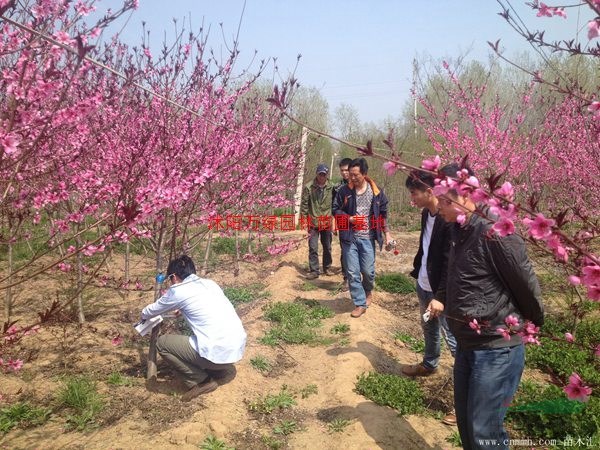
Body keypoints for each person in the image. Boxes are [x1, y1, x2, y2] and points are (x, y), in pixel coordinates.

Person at [428, 163, 544, 450]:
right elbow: (453, 273)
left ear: (465, 196)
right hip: (469, 341)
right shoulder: (459, 229)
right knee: (468, 425)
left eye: (443, 200)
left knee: (485, 430)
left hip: (495, 347)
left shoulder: (494, 232)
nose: (438, 206)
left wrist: (533, 323)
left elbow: (524, 281)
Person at [141, 255, 247, 402]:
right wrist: (182, 308)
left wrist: (143, 315)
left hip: (217, 355)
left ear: (174, 277)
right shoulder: (210, 284)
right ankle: (217, 369)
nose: (170, 283)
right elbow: (204, 305)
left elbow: (149, 311)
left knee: (162, 343)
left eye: (169, 279)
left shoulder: (177, 291)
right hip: (235, 351)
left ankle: (201, 381)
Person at [401, 169, 458, 425]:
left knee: (456, 344)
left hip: (441, 293)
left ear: (429, 191)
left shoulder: (449, 219)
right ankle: (429, 363)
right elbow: (425, 247)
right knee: (429, 328)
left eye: (414, 193)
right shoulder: (427, 214)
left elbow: (450, 262)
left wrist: (442, 295)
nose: (411, 198)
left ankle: (464, 401)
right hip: (424, 285)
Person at [333, 157, 393, 318]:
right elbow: (335, 210)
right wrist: (349, 218)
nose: (352, 177)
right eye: (350, 174)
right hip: (349, 237)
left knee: (367, 271)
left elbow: (383, 215)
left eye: (355, 175)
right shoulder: (344, 192)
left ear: (365, 174)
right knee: (352, 272)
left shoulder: (377, 193)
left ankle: (368, 291)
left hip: (368, 237)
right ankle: (359, 303)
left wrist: (387, 234)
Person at [301, 163, 334, 280]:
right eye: (320, 174)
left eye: (324, 175)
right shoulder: (308, 187)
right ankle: (314, 270)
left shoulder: (332, 187)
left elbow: (335, 205)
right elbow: (304, 205)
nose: (322, 177)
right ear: (317, 174)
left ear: (326, 175)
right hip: (313, 222)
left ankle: (327, 267)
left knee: (327, 246)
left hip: (326, 222)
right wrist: (303, 222)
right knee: (313, 247)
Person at [333, 157, 353, 289]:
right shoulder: (338, 188)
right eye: (342, 171)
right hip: (343, 222)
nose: (345, 173)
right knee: (345, 251)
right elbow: (334, 208)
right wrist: (334, 224)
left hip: (359, 223)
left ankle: (359, 277)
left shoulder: (361, 185)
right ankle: (346, 278)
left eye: (347, 170)